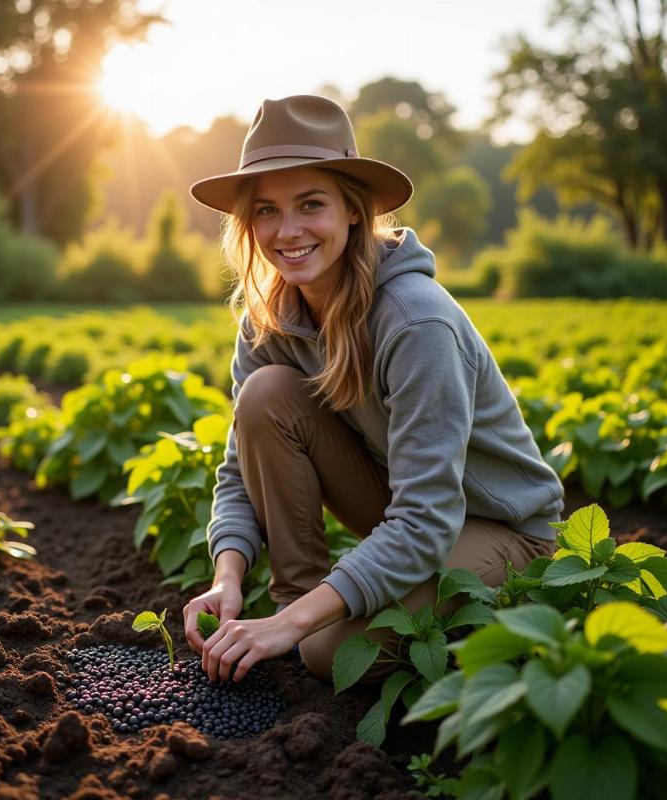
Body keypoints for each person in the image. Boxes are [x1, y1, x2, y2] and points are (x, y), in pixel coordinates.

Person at [182, 94, 564, 686]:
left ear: (353, 210)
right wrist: (226, 578)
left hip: (503, 531)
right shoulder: (269, 317)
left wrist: (299, 627)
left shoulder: (416, 322)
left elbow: (427, 516)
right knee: (265, 395)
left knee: (325, 653)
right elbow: (239, 468)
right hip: (402, 508)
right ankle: (297, 602)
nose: (287, 232)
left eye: (311, 205)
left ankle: (501, 642)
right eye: (266, 211)